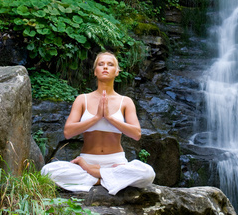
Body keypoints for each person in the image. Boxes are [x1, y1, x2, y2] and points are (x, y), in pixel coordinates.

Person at [41, 51, 155, 195]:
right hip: (87, 161)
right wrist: (96, 117)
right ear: (95, 71)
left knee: (148, 173)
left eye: (110, 64)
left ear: (117, 72)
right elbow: (68, 132)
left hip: (116, 163)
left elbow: (136, 134)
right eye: (101, 64)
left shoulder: (125, 101)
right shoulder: (82, 99)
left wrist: (109, 117)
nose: (105, 67)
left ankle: (94, 176)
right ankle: (106, 179)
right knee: (48, 171)